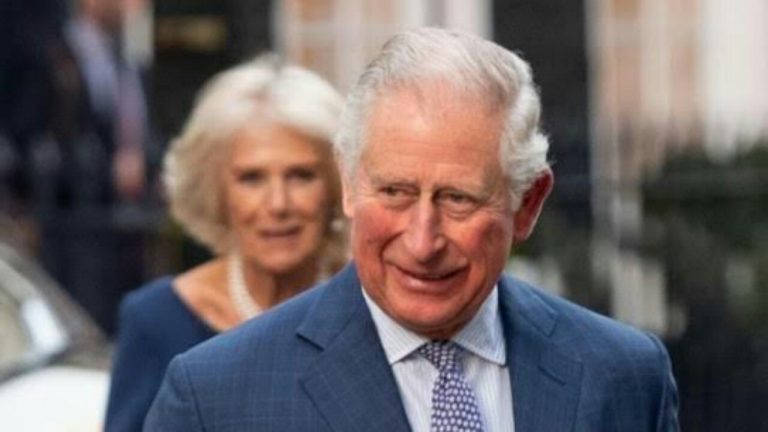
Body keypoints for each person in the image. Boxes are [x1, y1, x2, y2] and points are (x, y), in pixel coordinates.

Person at [144, 27, 679, 432]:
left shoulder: (625, 377)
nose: (422, 242)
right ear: (349, 183)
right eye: (395, 192)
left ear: (528, 204)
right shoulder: (216, 399)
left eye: (458, 199)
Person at [104, 56, 347, 432]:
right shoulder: (156, 320)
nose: (278, 204)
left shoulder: (368, 306)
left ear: (336, 186)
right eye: (252, 178)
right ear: (216, 192)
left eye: (301, 175)